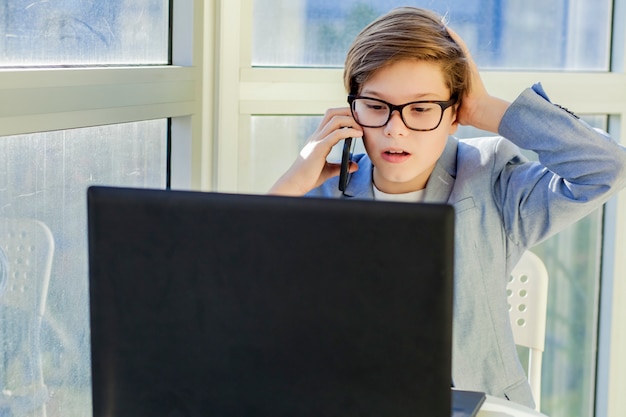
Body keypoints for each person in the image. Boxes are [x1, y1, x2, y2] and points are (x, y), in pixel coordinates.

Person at [269, 6, 626, 409]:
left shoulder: (494, 181)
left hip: (480, 409)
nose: (395, 128)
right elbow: (236, 298)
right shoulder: (323, 192)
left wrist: (490, 109)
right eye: (375, 105)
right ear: (352, 109)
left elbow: (606, 168)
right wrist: (291, 184)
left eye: (421, 108)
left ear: (454, 113)